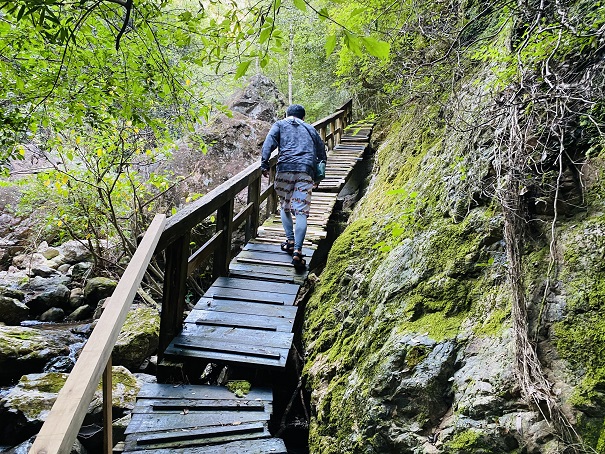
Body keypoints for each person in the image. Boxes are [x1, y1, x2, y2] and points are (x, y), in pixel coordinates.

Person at [261, 104, 327, 270]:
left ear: (287, 114)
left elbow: (269, 142)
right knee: (301, 211)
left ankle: (290, 240)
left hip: (285, 169)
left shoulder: (280, 124)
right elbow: (322, 153)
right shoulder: (310, 129)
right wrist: (318, 176)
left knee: (285, 205)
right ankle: (298, 250)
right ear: (303, 117)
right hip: (306, 171)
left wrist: (264, 164)